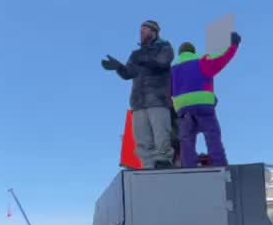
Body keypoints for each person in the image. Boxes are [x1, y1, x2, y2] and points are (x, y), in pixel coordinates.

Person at [102, 20, 176, 169]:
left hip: (158, 100)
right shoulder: (136, 54)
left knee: (161, 134)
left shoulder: (165, 47)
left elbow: (162, 64)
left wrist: (144, 59)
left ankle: (163, 161)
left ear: (154, 32)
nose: (141, 32)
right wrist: (119, 67)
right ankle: (147, 166)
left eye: (144, 29)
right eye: (140, 30)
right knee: (142, 139)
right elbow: (129, 73)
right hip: (138, 102)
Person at [170, 32, 241, 167]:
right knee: (212, 136)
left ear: (180, 54)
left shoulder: (173, 70)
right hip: (203, 106)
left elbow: (168, 91)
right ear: (193, 51)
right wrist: (233, 45)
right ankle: (220, 164)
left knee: (187, 141)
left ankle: (188, 167)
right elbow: (222, 59)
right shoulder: (202, 62)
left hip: (183, 109)